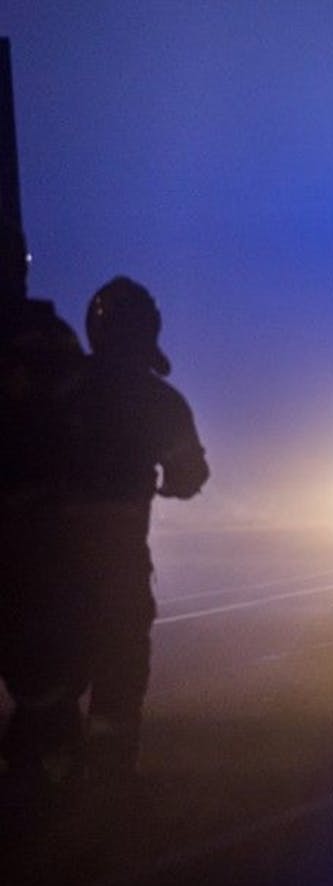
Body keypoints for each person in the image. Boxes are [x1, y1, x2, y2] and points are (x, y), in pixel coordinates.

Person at [60, 277, 210, 780]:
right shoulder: (160, 401)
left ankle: (42, 774)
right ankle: (107, 782)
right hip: (118, 559)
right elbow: (190, 475)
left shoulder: (63, 387)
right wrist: (168, 484)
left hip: (46, 559)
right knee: (119, 669)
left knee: (48, 676)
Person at [0, 224, 89, 785]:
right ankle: (51, 739)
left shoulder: (45, 341)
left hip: (38, 521)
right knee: (49, 641)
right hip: (47, 522)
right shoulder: (51, 338)